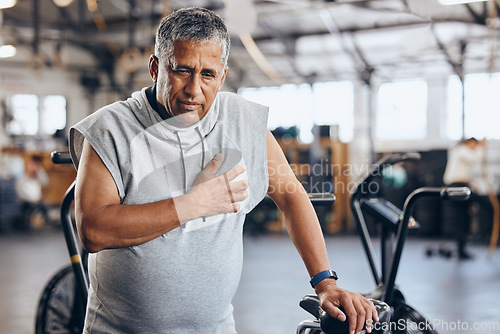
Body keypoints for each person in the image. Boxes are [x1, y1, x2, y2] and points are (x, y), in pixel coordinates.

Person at [69, 7, 378, 334]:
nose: (193, 90)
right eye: (182, 70)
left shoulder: (244, 124)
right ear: (155, 68)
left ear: (223, 75)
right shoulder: (110, 129)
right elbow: (93, 230)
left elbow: (292, 198)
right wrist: (194, 204)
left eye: (207, 74)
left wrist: (325, 283)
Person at [443, 137, 486, 259]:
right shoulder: (461, 150)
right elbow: (474, 158)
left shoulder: (460, 153)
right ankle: (461, 249)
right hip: (456, 186)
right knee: (462, 218)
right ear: (468, 142)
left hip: (462, 185)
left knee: (464, 218)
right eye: (474, 145)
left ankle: (462, 248)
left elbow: (464, 173)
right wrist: (481, 147)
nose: (474, 147)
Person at [15, 155, 49, 230]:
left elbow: (45, 182)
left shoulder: (36, 178)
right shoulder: (22, 179)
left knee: (45, 206)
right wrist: (32, 200)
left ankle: (42, 224)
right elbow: (22, 194)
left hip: (36, 200)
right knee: (35, 206)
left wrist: (39, 170)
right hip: (25, 201)